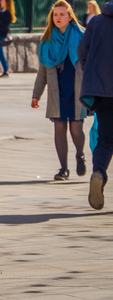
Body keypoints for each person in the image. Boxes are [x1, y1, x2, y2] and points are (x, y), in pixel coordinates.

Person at [31, 0, 87, 181]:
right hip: (58, 92)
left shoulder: (81, 36)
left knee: (76, 129)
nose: (58, 18)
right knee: (59, 129)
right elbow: (42, 71)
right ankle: (63, 168)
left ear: (70, 17)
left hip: (77, 90)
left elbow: (90, 65)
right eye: (55, 14)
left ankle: (80, 154)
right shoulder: (47, 41)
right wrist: (36, 95)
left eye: (62, 14)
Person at [78, 1, 113, 210]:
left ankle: (99, 171)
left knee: (106, 138)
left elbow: (82, 52)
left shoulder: (97, 21)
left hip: (102, 91)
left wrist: (92, 74)